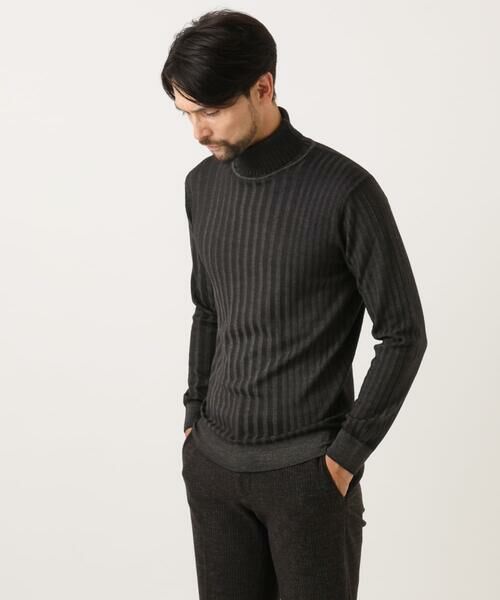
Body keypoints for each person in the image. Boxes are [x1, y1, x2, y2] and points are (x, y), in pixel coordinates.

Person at [161, 9, 427, 600]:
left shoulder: (346, 191)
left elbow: (404, 333)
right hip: (213, 470)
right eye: (186, 113)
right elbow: (208, 309)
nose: (198, 132)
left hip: (308, 478)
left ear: (264, 87)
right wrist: (192, 420)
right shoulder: (201, 186)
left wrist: (345, 457)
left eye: (211, 110)